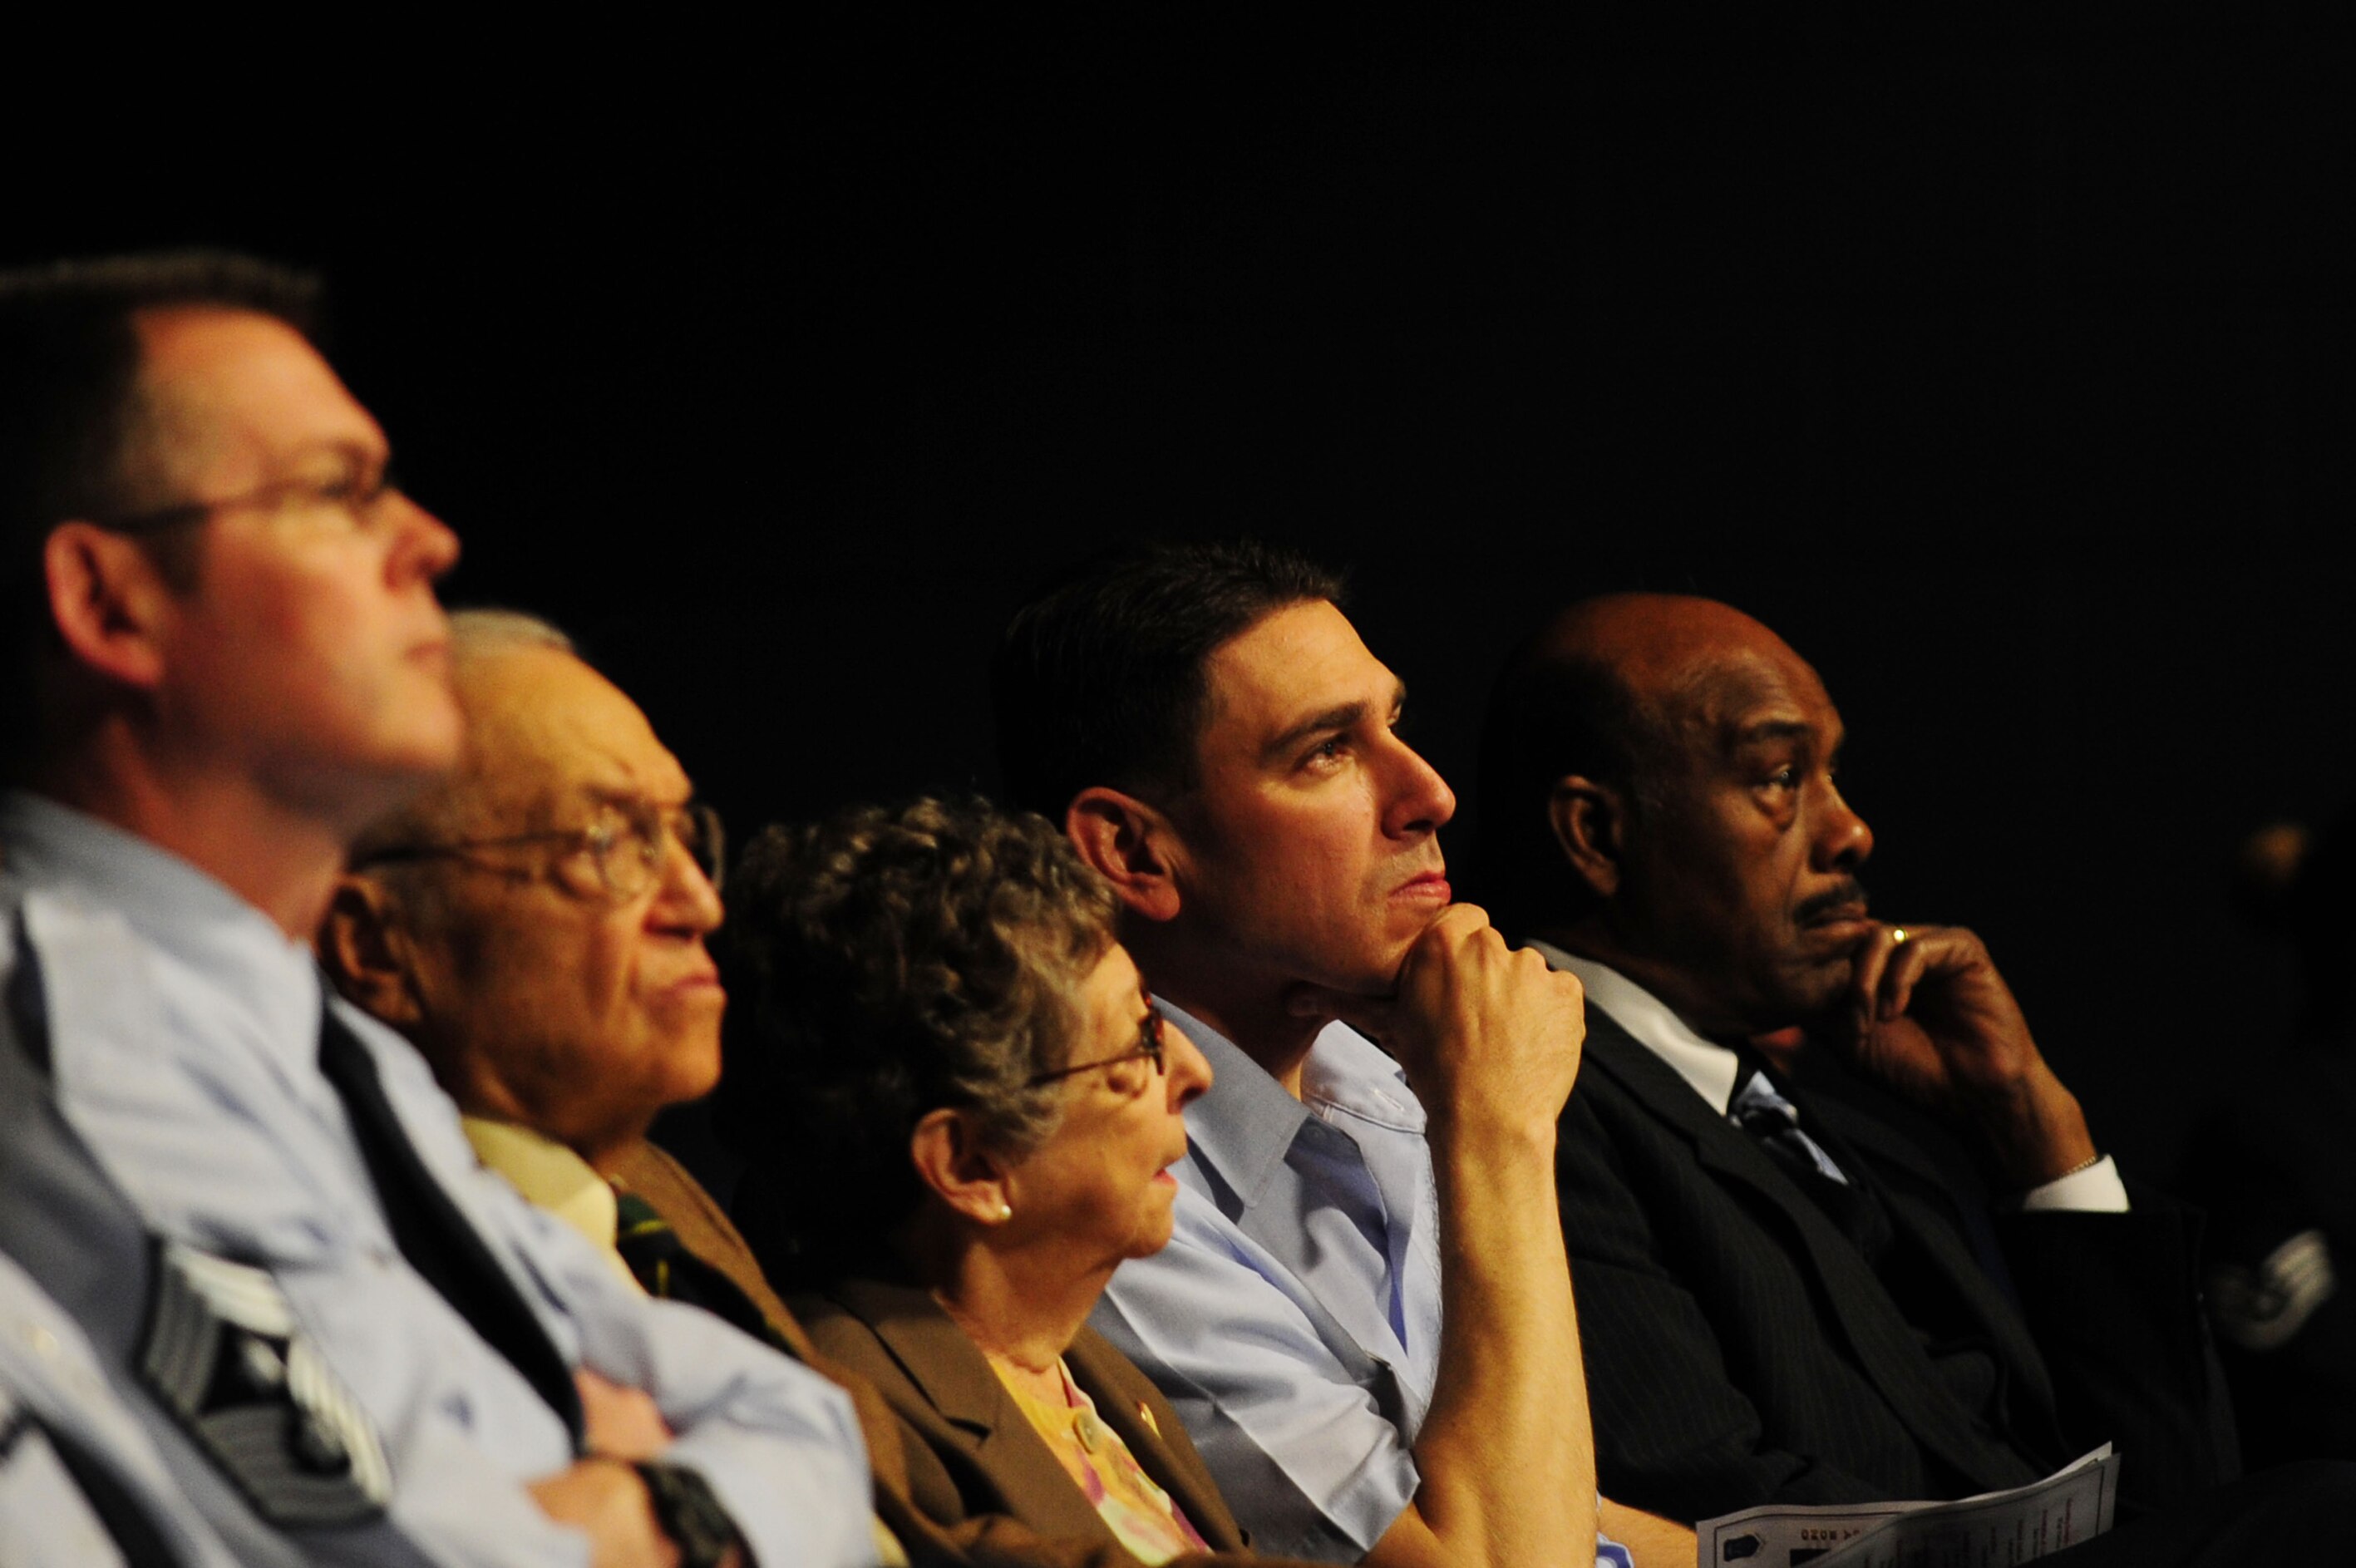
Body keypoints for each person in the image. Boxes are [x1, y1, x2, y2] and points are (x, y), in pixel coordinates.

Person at [0, 253, 874, 1567]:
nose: (427, 540)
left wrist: (635, 1506)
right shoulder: (71, 1050)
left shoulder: (345, 1065)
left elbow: (805, 1422)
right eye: (335, 491)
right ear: (109, 601)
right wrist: (676, 1502)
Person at [327, 611, 1247, 1568]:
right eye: (606, 842)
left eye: (682, 835)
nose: (695, 900)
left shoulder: (656, 1202)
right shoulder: (348, 1263)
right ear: (379, 944)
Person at [1474, 591, 2331, 1556]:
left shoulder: (1846, 1134)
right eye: (1779, 777)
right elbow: (1710, 1505)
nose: (1850, 830)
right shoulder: (1524, 1104)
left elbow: (2180, 1485)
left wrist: (2032, 1129)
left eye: (1832, 775)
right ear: (1596, 832)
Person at [993, 540, 1687, 1567]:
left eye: (1393, 725)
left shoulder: (1371, 1070)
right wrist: (1498, 1128)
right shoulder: (1111, 1204)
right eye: (1324, 751)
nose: (1429, 794)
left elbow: (1565, 1512)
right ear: (1134, 851)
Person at [722, 796, 1275, 1563]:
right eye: (1139, 1041)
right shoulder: (853, 1423)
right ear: (971, 1166)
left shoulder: (1097, 1375)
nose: (1195, 1071)